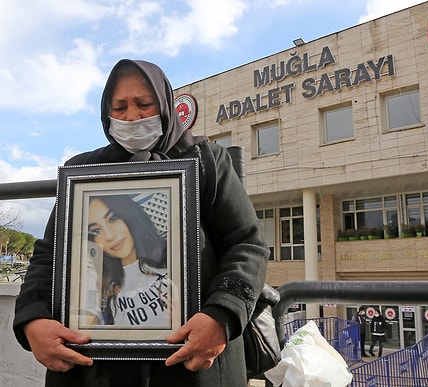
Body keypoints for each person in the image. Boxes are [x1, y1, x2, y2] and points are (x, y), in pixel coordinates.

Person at [13, 59, 269, 387]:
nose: (132, 117)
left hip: (194, 368)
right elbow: (50, 254)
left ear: (164, 105)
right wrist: (33, 319)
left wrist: (222, 316)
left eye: (144, 104)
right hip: (95, 370)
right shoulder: (84, 171)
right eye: (119, 107)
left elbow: (246, 242)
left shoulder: (206, 159)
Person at [86, 195, 172, 327]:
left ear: (129, 216)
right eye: (96, 231)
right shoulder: (102, 288)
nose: (109, 235)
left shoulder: (172, 255)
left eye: (113, 218)